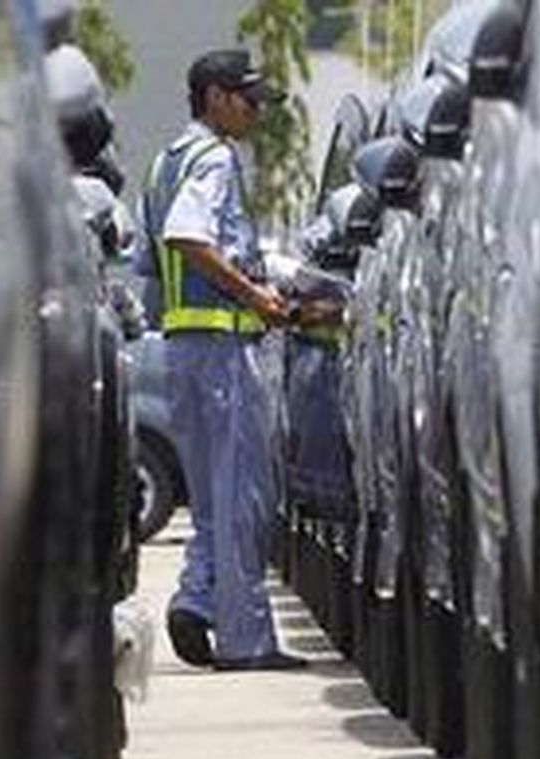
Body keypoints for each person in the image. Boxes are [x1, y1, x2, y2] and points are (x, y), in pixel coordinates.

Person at [140, 48, 310, 670]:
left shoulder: (165, 162)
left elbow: (147, 270)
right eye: (248, 98)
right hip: (221, 351)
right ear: (214, 97)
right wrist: (256, 295)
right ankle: (244, 640)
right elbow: (187, 236)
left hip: (183, 350)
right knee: (243, 495)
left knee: (214, 497)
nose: (256, 111)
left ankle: (196, 599)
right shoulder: (214, 159)